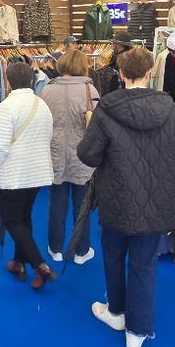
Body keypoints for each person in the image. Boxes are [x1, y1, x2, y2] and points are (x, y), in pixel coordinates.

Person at [78, 46, 175, 347]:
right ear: (150, 72)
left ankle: (116, 312)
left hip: (116, 196)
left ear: (121, 73)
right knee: (144, 263)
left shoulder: (107, 108)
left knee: (113, 255)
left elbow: (88, 154)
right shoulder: (170, 109)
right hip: (156, 200)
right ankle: (136, 332)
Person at [0, 62, 56, 289]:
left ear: (8, 81)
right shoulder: (41, 104)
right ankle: (19, 262)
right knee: (24, 217)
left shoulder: (7, 106)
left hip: (12, 174)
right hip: (36, 172)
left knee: (12, 220)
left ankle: (40, 266)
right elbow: (48, 135)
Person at [40, 48, 100, 264]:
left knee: (57, 203)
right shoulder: (89, 90)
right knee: (82, 206)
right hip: (82, 155)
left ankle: (55, 248)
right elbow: (98, 126)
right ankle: (81, 251)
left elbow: (42, 123)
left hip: (55, 153)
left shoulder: (48, 90)